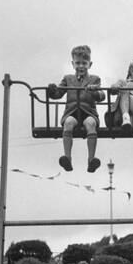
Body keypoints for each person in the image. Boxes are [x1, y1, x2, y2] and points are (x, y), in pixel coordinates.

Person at [48, 45, 105, 173]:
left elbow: (102, 95)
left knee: (90, 124)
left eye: (84, 63)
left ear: (90, 64)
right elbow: (58, 94)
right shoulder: (68, 79)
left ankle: (91, 160)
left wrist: (94, 92)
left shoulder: (94, 79)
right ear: (72, 64)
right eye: (78, 63)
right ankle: (67, 158)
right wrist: (52, 92)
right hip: (72, 111)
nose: (81, 66)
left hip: (88, 111)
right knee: (68, 123)